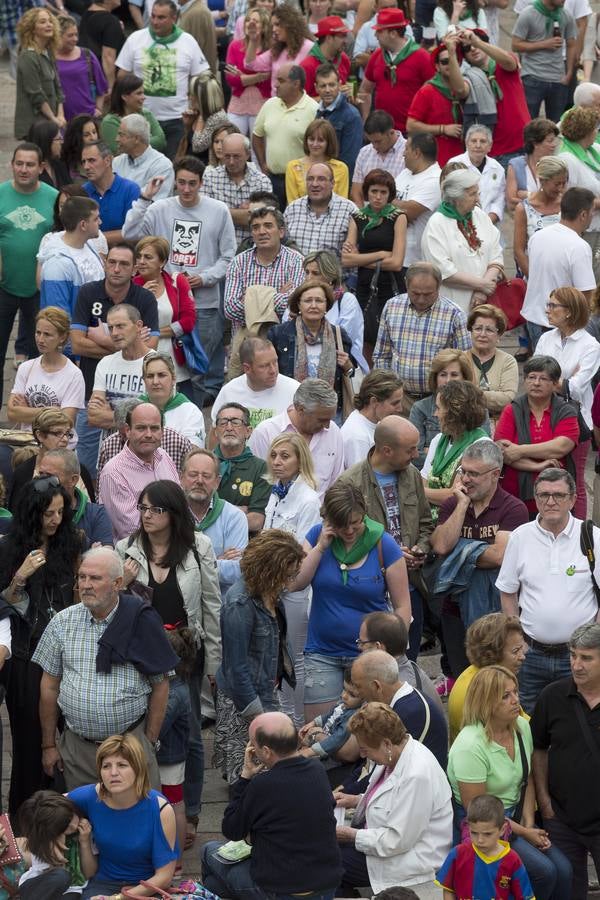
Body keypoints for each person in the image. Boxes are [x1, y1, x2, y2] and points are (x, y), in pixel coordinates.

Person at [115, 480, 221, 839]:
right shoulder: (125, 549)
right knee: (146, 732)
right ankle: (150, 808)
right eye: (142, 508)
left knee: (191, 735)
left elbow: (210, 606)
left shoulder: (198, 547)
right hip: (142, 658)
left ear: (173, 514)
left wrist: (215, 665)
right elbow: (111, 608)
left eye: (155, 509)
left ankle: (189, 813)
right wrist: (121, 582)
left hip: (186, 655)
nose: (146, 516)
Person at [33, 547, 177, 790]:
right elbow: (49, 686)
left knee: (138, 821)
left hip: (129, 747)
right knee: (84, 823)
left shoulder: (141, 620)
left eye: (95, 578)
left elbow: (161, 684)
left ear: (117, 583)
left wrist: (148, 741)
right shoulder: (62, 623)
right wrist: (48, 745)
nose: (86, 585)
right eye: (82, 577)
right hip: (79, 752)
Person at [447, 666, 572, 900]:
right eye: (505, 696)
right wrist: (525, 832)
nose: (516, 700)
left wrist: (529, 820)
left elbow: (528, 778)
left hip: (515, 817)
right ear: (485, 703)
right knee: (544, 872)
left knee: (563, 870)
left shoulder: (521, 727)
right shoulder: (469, 746)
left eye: (515, 692)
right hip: (485, 824)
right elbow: (480, 813)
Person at [122, 155, 236, 410]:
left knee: (194, 370)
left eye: (192, 184)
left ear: (201, 183)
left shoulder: (218, 210)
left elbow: (228, 256)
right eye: (181, 183)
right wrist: (144, 198)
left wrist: (204, 277)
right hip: (162, 301)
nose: (186, 189)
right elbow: (130, 234)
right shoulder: (159, 208)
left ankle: (189, 419)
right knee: (157, 367)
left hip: (204, 303)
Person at [291, 480, 411, 719]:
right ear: (328, 521)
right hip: (322, 653)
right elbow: (296, 583)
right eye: (341, 525)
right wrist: (321, 548)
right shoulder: (316, 535)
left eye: (355, 523)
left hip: (370, 655)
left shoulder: (382, 543)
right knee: (319, 729)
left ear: (363, 515)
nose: (348, 531)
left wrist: (392, 651)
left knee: (372, 727)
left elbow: (402, 605)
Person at [0, 476, 83, 814]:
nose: (55, 520)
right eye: (49, 513)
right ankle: (26, 824)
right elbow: (5, 603)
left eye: (61, 512)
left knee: (66, 742)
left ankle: (65, 818)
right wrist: (20, 577)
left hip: (66, 654)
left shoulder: (73, 543)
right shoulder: (8, 548)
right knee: (29, 745)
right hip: (26, 657)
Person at [203, 711, 343, 900]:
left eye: (253, 744)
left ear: (267, 751)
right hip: (325, 884)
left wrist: (245, 776)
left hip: (280, 890)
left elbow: (232, 829)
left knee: (208, 851)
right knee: (215, 884)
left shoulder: (263, 784)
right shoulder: (316, 770)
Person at [498, 467, 600, 713]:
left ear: (573, 499)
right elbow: (508, 592)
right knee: (529, 723)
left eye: (558, 495)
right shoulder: (520, 537)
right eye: (543, 495)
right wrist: (518, 640)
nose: (550, 501)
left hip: (578, 657)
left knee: (581, 720)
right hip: (531, 656)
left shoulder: (592, 537)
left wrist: (593, 645)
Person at [430, 440, 528, 679]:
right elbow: (442, 545)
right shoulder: (454, 503)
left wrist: (460, 550)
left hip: (494, 612)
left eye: (474, 473)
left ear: (495, 474)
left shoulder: (513, 508)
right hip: (453, 610)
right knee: (462, 676)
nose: (465, 479)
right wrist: (462, 506)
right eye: (463, 471)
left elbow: (499, 556)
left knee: (494, 679)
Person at [334, 702, 452, 897]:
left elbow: (395, 841)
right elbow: (392, 798)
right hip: (387, 845)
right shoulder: (396, 753)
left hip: (410, 858)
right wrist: (356, 800)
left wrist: (350, 834)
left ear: (387, 743)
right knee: (326, 853)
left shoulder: (417, 774)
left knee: (328, 863)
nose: (362, 754)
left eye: (365, 749)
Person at [214, 531, 305, 782]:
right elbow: (236, 668)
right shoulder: (240, 603)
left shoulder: (271, 594)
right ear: (270, 569)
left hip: (265, 692)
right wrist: (258, 715)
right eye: (287, 575)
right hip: (242, 702)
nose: (290, 581)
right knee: (245, 777)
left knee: (270, 774)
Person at [341, 415, 433, 657]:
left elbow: (425, 523)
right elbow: (343, 539)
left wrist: (420, 549)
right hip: (372, 595)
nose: (416, 454)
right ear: (387, 450)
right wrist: (389, 556)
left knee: (407, 663)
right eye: (410, 449)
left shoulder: (411, 474)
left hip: (410, 588)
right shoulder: (350, 483)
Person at [70, 242, 159, 479]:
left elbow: (150, 348)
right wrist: (124, 344)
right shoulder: (88, 292)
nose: (116, 268)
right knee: (86, 469)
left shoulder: (145, 298)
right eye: (112, 262)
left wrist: (103, 339)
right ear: (105, 264)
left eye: (124, 264)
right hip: (92, 389)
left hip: (134, 402)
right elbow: (76, 344)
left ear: (134, 270)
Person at [531, 623, 600, 900]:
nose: (576, 664)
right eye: (573, 655)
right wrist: (545, 803)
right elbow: (538, 748)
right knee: (569, 893)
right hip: (562, 819)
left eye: (586, 657)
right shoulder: (553, 696)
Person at [67, 733, 178, 899]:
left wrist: (119, 898)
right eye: (106, 766)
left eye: (122, 765)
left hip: (147, 888)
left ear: (138, 768)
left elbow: (164, 877)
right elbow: (47, 807)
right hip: (102, 885)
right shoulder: (91, 797)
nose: (113, 773)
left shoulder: (160, 808)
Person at [264, 433, 321, 724]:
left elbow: (301, 553)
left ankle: (297, 722)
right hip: (273, 587)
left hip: (295, 590)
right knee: (278, 655)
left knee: (295, 657)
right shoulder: (275, 493)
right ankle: (283, 717)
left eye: (285, 456)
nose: (277, 462)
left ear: (300, 460)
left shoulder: (308, 499)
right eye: (274, 455)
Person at [115, 0, 210, 159]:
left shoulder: (187, 41)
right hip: (142, 119)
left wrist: (195, 104)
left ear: (174, 18)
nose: (155, 21)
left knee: (173, 167)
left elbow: (202, 77)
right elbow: (121, 76)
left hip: (177, 119)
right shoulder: (136, 39)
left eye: (161, 17)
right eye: (153, 16)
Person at [0, 144, 57, 410]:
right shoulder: (0, 194)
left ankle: (34, 413)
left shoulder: (53, 197)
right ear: (12, 164)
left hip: (41, 290)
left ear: (41, 167)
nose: (24, 169)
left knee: (40, 355)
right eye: (19, 163)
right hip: (4, 288)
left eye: (30, 164)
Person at [535, 287, 600, 518]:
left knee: (574, 480)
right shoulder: (545, 338)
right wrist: (558, 380)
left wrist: (549, 379)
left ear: (570, 312)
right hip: (541, 413)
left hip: (575, 418)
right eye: (548, 304)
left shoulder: (590, 345)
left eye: (554, 306)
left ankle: (581, 533)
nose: (548, 310)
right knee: (544, 473)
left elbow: (575, 388)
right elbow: (534, 375)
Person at [373, 261, 471, 409]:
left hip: (438, 400)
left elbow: (465, 363)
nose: (421, 299)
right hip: (399, 399)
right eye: (415, 293)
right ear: (406, 284)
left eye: (428, 294)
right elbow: (381, 355)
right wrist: (387, 391)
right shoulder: (392, 307)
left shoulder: (454, 315)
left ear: (439, 287)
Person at [494, 356, 580, 518]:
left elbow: (561, 447)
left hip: (556, 496)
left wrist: (519, 450)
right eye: (531, 377)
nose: (536, 383)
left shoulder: (566, 410)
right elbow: (503, 453)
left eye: (543, 378)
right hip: (514, 496)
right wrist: (538, 467)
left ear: (555, 384)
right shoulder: (511, 410)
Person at [342, 168, 407, 359]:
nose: (378, 197)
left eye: (383, 192)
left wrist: (361, 258)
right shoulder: (358, 217)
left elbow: (396, 262)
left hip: (391, 284)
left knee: (392, 337)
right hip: (365, 286)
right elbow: (346, 260)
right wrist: (379, 254)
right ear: (367, 192)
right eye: (374, 191)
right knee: (367, 336)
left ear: (390, 194)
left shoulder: (398, 216)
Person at [422, 169, 504, 316]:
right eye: (472, 194)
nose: (478, 199)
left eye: (477, 193)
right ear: (456, 197)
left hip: (484, 307)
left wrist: (482, 291)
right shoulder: (437, 224)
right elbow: (442, 270)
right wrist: (482, 285)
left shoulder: (479, 215)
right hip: (450, 308)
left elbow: (496, 255)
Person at [522, 187, 596, 349]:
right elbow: (585, 294)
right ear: (583, 215)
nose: (593, 216)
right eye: (592, 212)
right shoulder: (579, 246)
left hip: (533, 318)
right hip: (561, 324)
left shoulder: (537, 237)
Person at [350, 649, 449, 767]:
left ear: (376, 686)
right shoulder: (402, 703)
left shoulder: (409, 713)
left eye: (358, 686)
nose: (356, 693)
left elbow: (382, 769)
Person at [268, 278, 354, 412]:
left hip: (329, 412)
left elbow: (350, 372)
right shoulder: (279, 334)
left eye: (319, 301)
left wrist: (348, 365)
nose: (314, 305)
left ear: (327, 305)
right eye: (308, 301)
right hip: (289, 409)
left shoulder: (338, 334)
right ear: (299, 304)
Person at [249, 378, 345, 498]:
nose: (327, 426)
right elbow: (257, 484)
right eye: (321, 420)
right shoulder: (266, 433)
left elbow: (337, 484)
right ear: (300, 409)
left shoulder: (333, 432)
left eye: (330, 419)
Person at [98, 402, 180, 541]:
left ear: (162, 431)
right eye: (141, 428)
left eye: (154, 428)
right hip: (137, 556)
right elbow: (133, 531)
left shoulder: (164, 457)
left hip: (176, 545)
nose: (148, 434)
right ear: (128, 431)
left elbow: (181, 504)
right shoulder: (114, 473)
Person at [224, 205, 305, 345]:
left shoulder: (296, 260)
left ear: (281, 232)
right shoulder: (238, 262)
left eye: (268, 226)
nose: (261, 232)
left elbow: (294, 305)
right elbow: (230, 309)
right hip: (246, 345)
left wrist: (251, 297)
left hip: (284, 343)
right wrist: (277, 294)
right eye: (255, 227)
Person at [436, 793, 536, 900]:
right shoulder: (457, 853)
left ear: (503, 829)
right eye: (474, 833)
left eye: (487, 834)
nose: (480, 840)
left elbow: (525, 896)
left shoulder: (512, 860)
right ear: (468, 826)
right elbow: (448, 888)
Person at [447, 612, 528, 744]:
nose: (523, 656)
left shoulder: (480, 675)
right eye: (515, 651)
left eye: (521, 649)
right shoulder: (482, 691)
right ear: (491, 654)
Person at [7, 307, 85, 441]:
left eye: (47, 334)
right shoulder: (26, 367)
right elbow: (12, 413)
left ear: (62, 337)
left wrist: (27, 411)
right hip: (26, 443)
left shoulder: (74, 375)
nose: (40, 339)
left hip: (59, 448)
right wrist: (53, 411)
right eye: (38, 332)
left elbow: (66, 420)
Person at [180, 448, 249, 597]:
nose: (199, 481)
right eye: (193, 474)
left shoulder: (234, 517)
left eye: (206, 476)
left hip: (221, 607)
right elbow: (166, 566)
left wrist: (188, 564)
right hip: (180, 604)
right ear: (181, 478)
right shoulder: (172, 515)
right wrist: (216, 561)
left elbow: (238, 570)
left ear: (217, 482)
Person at [133, 236, 196, 398]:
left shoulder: (177, 281)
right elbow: (129, 323)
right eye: (139, 256)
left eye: (148, 257)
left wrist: (156, 333)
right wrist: (143, 298)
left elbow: (188, 321)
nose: (141, 261)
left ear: (162, 262)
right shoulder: (132, 286)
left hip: (174, 359)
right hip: (141, 360)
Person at [457, 26, 530, 166]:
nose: (472, 49)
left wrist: (477, 42)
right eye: (467, 49)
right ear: (465, 57)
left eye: (475, 44)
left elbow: (510, 62)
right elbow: (460, 89)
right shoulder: (469, 77)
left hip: (523, 142)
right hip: (495, 150)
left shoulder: (502, 64)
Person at [357, 8, 434, 134]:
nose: (375, 36)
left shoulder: (422, 57)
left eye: (379, 32)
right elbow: (365, 90)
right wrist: (366, 121)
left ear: (393, 33)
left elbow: (433, 94)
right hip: (382, 133)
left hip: (411, 133)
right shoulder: (377, 56)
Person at [252, 63, 319, 208]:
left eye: (281, 81)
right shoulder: (270, 104)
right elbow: (257, 135)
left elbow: (319, 145)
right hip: (272, 179)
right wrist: (263, 164)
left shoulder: (313, 109)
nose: (276, 85)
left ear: (296, 84)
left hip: (300, 181)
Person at [421, 379, 488, 518]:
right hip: (429, 520)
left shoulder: (480, 445)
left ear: (454, 413)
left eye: (439, 408)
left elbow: (455, 495)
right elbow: (424, 482)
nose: (435, 414)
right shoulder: (438, 440)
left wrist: (417, 492)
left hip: (462, 522)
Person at [87, 303, 153, 437]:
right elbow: (93, 417)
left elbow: (157, 417)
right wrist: (136, 418)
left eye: (120, 326)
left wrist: (109, 414)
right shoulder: (105, 363)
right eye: (110, 328)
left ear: (138, 326)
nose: (114, 333)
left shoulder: (157, 363)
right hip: (110, 450)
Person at [357, 611, 443, 712]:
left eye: (362, 643)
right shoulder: (402, 672)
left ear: (378, 647)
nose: (359, 648)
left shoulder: (397, 689)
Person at [17, 790, 95, 900]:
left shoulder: (84, 831)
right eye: (65, 825)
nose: (73, 825)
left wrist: (85, 842)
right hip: (35, 887)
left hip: (72, 890)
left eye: (72, 816)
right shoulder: (45, 839)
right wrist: (57, 845)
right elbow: (52, 876)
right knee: (61, 876)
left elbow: (90, 873)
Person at [410, 348, 477, 471]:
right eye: (443, 375)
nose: (448, 380)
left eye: (454, 375)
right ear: (435, 378)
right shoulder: (420, 408)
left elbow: (478, 454)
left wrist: (432, 453)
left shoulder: (476, 407)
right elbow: (414, 456)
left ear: (464, 378)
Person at [200, 133, 272, 246]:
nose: (231, 161)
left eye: (236, 156)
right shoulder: (210, 178)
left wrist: (219, 211)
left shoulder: (262, 181)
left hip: (251, 250)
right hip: (217, 248)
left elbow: (262, 219)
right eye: (227, 156)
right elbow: (205, 216)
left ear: (248, 154)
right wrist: (246, 213)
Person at [406, 40, 469, 169]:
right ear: (437, 66)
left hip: (464, 159)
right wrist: (443, 129)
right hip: (437, 161)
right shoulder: (427, 91)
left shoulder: (466, 86)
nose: (450, 64)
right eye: (445, 62)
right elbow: (411, 126)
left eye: (453, 60)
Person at [212, 338, 301, 429]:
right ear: (247, 368)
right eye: (264, 366)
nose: (273, 370)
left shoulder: (294, 390)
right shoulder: (229, 392)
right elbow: (215, 433)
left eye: (275, 362)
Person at [39, 196, 105, 318]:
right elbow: (59, 319)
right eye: (96, 219)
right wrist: (82, 337)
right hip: (79, 335)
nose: (100, 222)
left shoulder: (89, 245)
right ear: (83, 225)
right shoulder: (56, 264)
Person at [512, 0, 577, 121]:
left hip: (558, 79)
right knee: (528, 124)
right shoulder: (528, 13)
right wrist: (543, 44)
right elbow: (515, 45)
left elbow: (572, 44)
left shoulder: (565, 15)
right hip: (532, 77)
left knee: (557, 127)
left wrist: (569, 74)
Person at [96, 396, 194, 477]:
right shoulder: (109, 446)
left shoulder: (176, 443)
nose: (128, 439)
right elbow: (100, 494)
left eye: (140, 428)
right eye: (123, 435)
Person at [212, 402, 270, 532]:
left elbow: (256, 521)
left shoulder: (261, 468)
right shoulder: (203, 463)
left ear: (248, 431)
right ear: (216, 431)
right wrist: (239, 511)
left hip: (245, 545)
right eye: (223, 422)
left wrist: (213, 515)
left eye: (236, 422)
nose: (229, 427)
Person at [37, 448, 113, 547]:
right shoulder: (31, 509)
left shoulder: (95, 514)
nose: (42, 481)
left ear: (73, 480)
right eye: (41, 474)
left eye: (50, 476)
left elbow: (105, 557)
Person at [558, 106, 600, 279]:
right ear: (585, 131)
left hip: (597, 225)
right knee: (588, 278)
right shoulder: (566, 159)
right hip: (585, 230)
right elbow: (568, 199)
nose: (597, 131)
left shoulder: (594, 150)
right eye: (595, 128)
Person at [513, 156, 568, 282]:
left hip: (564, 275)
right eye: (557, 184)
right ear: (543, 181)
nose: (561, 188)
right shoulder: (523, 209)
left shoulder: (567, 204)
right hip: (535, 275)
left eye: (564, 183)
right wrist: (535, 281)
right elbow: (519, 251)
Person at [244, 3, 315, 98]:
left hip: (299, 106)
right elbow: (250, 64)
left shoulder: (309, 47)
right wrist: (253, 40)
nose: (273, 29)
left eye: (277, 24)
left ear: (290, 24)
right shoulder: (277, 49)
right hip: (277, 105)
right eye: (272, 25)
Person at [14, 8, 65, 140]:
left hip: (52, 122)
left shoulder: (48, 52)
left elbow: (58, 87)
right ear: (32, 28)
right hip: (35, 125)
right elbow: (35, 93)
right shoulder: (28, 56)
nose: (49, 25)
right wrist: (53, 118)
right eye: (42, 22)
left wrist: (60, 115)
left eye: (50, 21)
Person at [465, 304, 519, 424]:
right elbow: (455, 395)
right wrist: (492, 396)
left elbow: (506, 398)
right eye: (478, 328)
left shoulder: (508, 361)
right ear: (471, 331)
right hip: (465, 422)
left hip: (498, 422)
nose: (482, 334)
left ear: (499, 335)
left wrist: (470, 394)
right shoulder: (460, 359)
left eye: (489, 330)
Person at [395, 134, 442, 269]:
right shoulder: (405, 173)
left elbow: (409, 211)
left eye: (406, 149)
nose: (403, 153)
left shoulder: (435, 179)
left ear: (416, 153)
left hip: (418, 262)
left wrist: (390, 203)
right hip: (397, 256)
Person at [224, 8, 272, 139]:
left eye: (255, 21)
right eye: (248, 20)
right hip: (238, 105)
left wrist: (243, 77)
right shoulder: (235, 46)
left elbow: (270, 81)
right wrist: (260, 76)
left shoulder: (271, 48)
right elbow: (231, 80)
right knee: (232, 143)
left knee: (258, 151)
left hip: (262, 106)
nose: (250, 23)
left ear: (264, 26)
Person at [341, 370, 404, 468]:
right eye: (394, 403)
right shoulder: (358, 437)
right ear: (374, 401)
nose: (400, 409)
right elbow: (361, 480)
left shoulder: (376, 422)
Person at [141, 352, 205, 446]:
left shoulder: (190, 411)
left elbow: (193, 453)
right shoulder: (134, 408)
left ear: (174, 379)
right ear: (144, 381)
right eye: (150, 376)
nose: (155, 381)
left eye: (161, 375)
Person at [81, 141, 140, 243]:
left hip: (123, 255)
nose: (86, 167)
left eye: (91, 160)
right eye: (83, 162)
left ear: (107, 160)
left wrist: (93, 239)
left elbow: (133, 233)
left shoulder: (130, 190)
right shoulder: (82, 192)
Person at [448, 125, 506, 225]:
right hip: (460, 224)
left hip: (490, 225)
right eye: (473, 141)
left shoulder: (498, 168)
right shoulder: (454, 164)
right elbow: (449, 198)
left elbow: (499, 199)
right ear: (466, 144)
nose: (478, 145)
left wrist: (488, 220)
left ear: (490, 146)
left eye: (483, 141)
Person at [315, 63, 363, 181]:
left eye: (332, 85)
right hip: (321, 179)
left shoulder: (351, 115)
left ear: (339, 85)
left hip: (339, 181)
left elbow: (350, 159)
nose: (327, 90)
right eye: (323, 86)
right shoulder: (318, 112)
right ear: (316, 88)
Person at [55, 14, 108, 123]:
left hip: (86, 120)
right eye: (70, 35)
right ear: (58, 36)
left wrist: (98, 109)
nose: (75, 39)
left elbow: (101, 89)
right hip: (60, 121)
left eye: (76, 34)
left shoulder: (87, 55)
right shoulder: (47, 58)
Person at [100, 73, 167, 155]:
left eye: (143, 93)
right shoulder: (110, 122)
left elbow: (161, 141)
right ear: (124, 96)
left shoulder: (147, 114)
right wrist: (146, 140)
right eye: (139, 93)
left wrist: (133, 143)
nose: (143, 97)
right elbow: (119, 150)